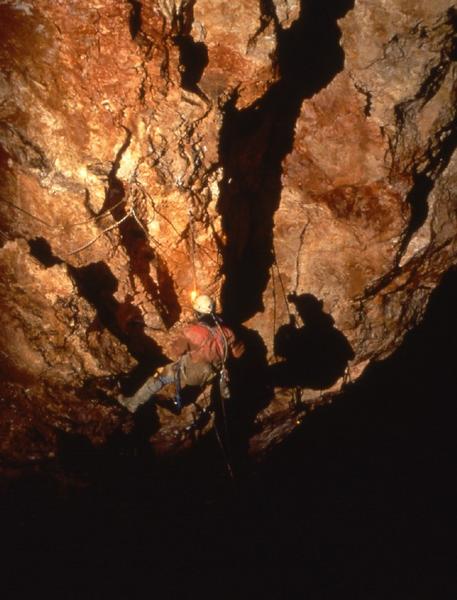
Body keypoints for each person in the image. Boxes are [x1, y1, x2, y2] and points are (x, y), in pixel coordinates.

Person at [117, 294, 244, 414]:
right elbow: (238, 353)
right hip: (212, 374)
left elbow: (176, 351)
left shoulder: (193, 332)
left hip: (192, 375)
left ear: (197, 313)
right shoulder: (227, 332)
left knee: (159, 377)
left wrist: (185, 337)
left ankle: (132, 404)